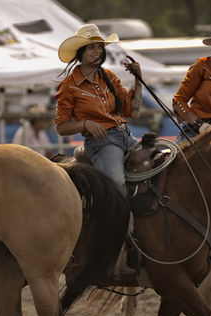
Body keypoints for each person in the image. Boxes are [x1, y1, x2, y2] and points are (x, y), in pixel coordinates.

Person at [55, 23, 143, 194]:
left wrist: (138, 80)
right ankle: (121, 220)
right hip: (102, 142)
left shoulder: (109, 77)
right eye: (91, 47)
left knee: (157, 169)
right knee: (116, 184)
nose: (97, 51)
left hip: (126, 136)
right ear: (81, 52)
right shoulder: (69, 86)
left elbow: (133, 112)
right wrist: (85, 124)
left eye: (99, 47)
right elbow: (62, 127)